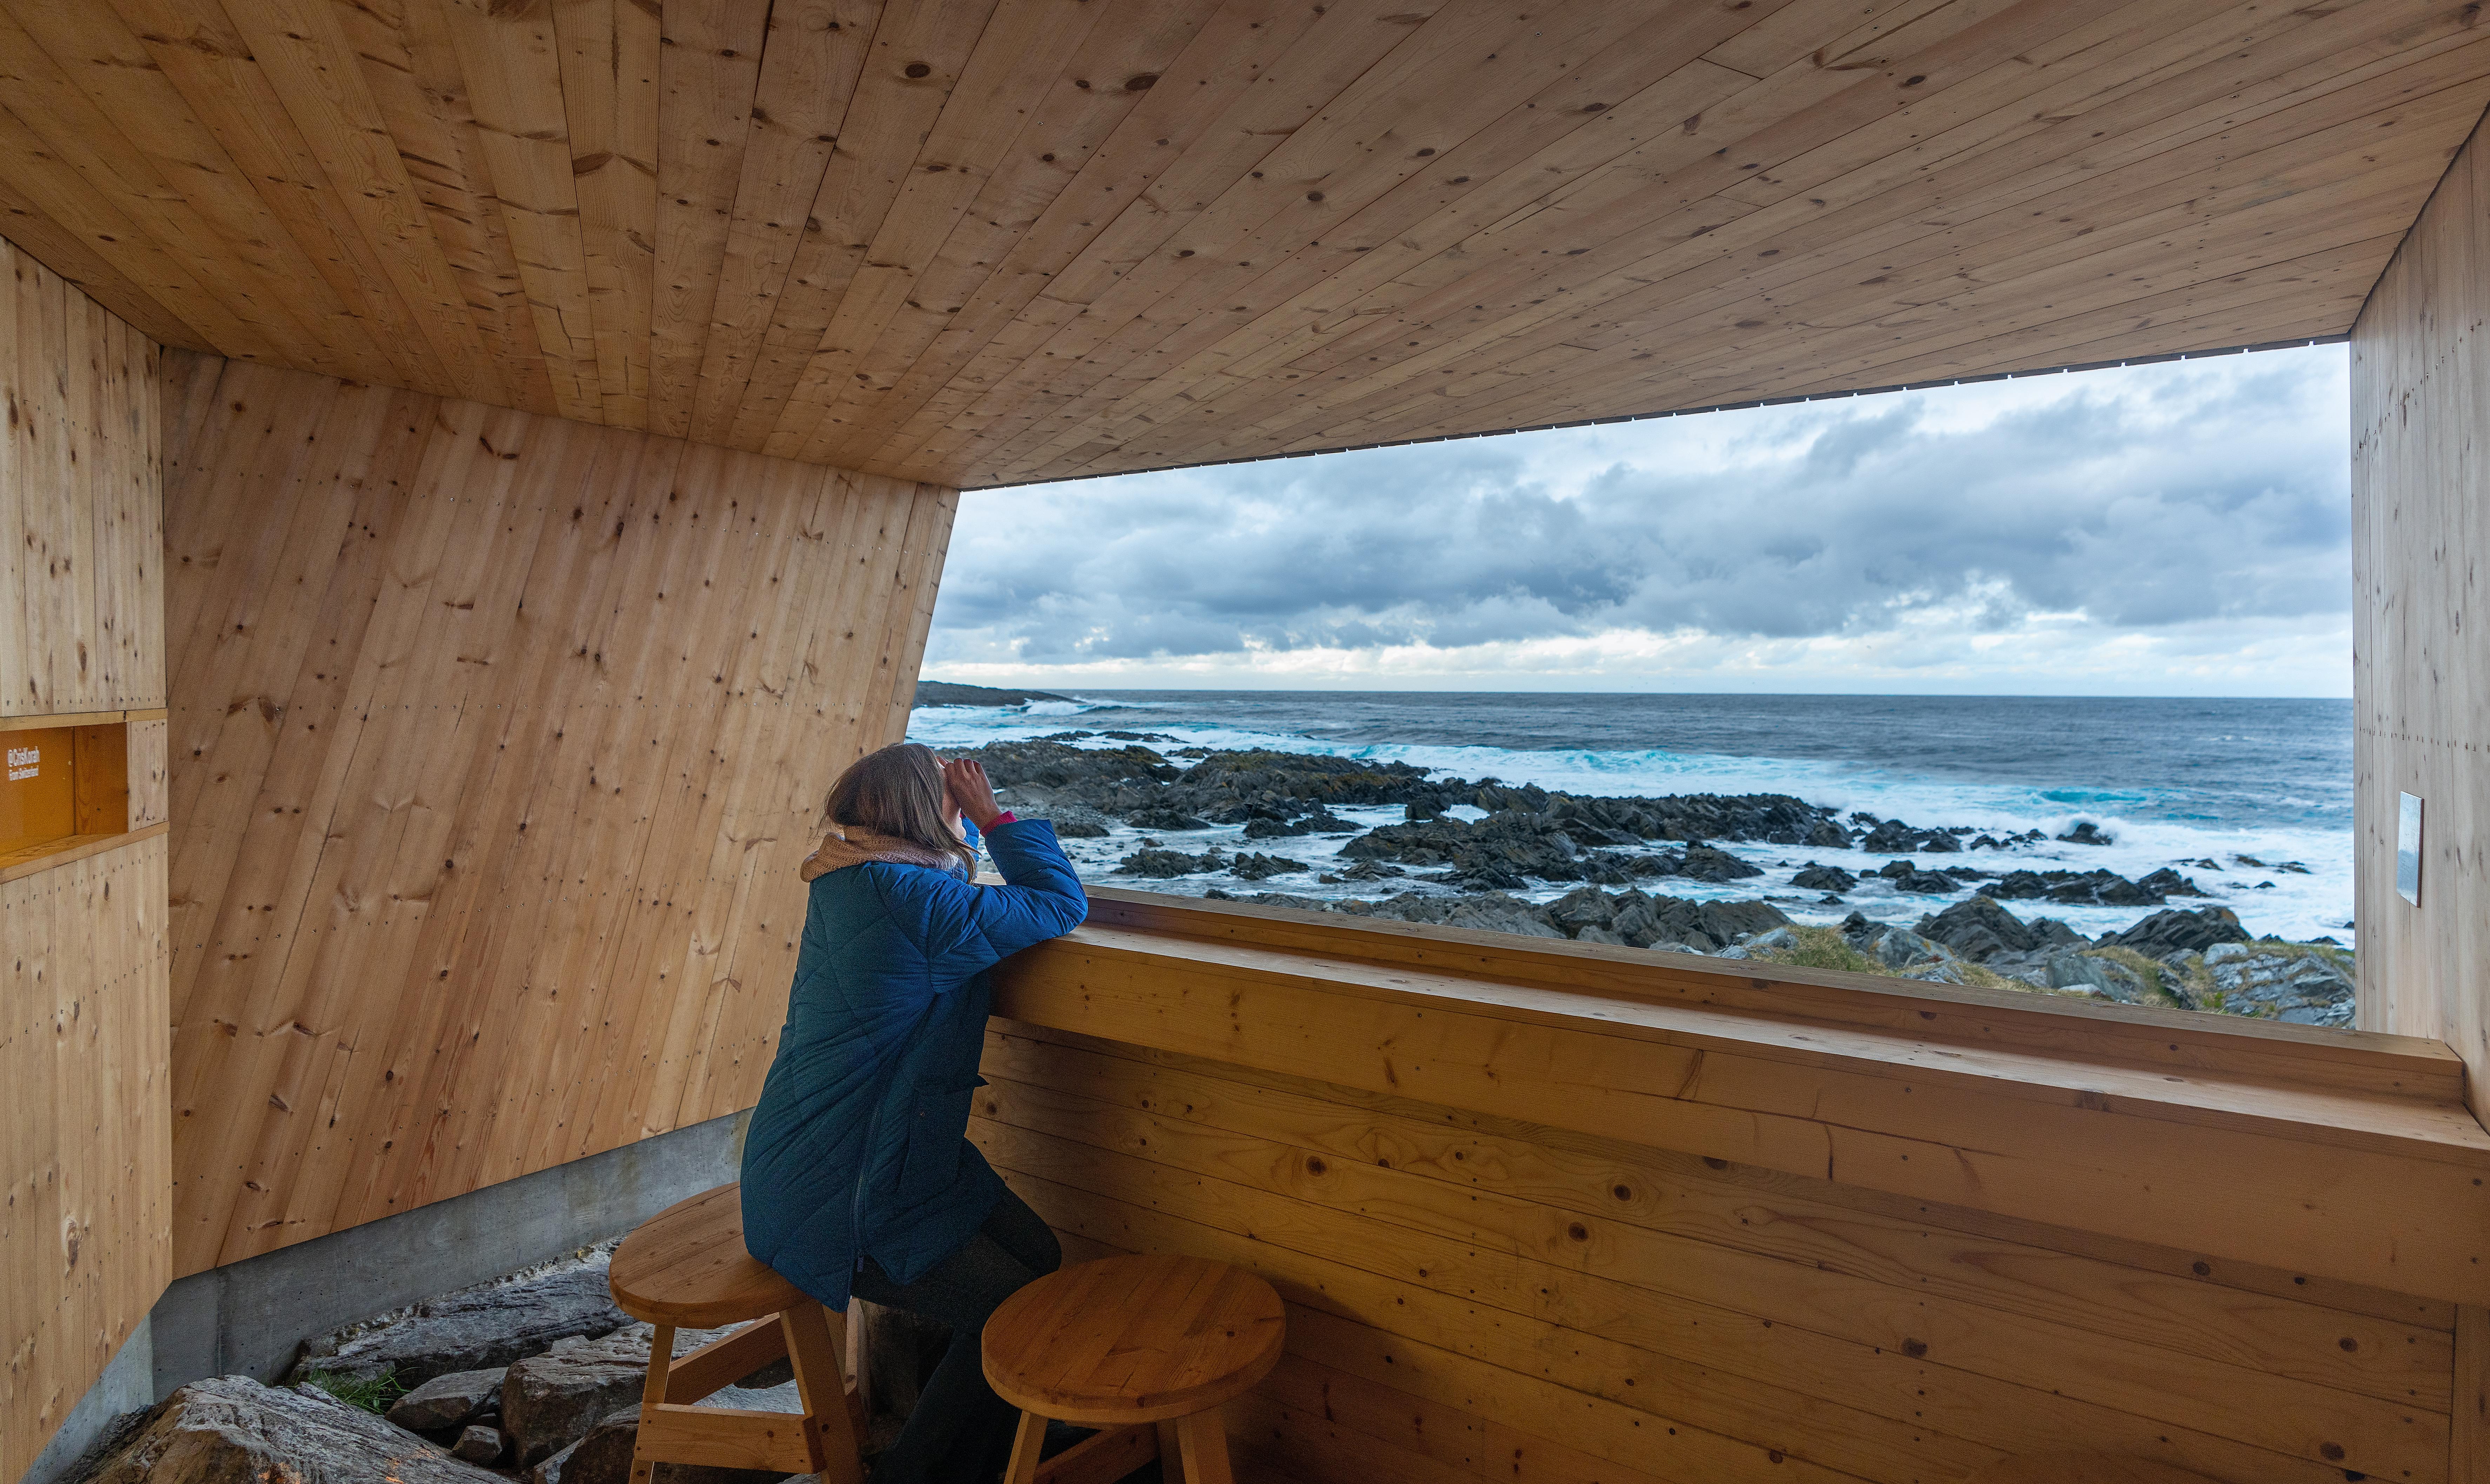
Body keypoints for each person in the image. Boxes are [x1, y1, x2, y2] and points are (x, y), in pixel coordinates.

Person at [741, 741, 1088, 1484]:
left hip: (851, 1157)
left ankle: (980, 1445)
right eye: (948, 799)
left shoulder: (851, 881)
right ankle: (920, 1470)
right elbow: (1060, 904)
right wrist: (996, 821)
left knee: (1041, 1260)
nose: (958, 809)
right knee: (1014, 1308)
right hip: (849, 1194)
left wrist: (964, 831)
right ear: (921, 813)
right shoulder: (915, 900)